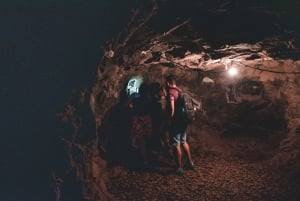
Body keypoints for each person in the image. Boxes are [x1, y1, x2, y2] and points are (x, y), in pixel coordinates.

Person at [165, 75, 195, 175]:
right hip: (184, 121)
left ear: (168, 83)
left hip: (176, 121)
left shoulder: (170, 92)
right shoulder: (180, 90)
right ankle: (190, 163)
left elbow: (172, 109)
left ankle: (179, 168)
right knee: (183, 141)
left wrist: (169, 121)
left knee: (175, 144)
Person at [130, 83, 152, 168]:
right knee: (145, 140)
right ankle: (147, 158)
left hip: (139, 120)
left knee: (140, 141)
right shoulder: (149, 98)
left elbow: (125, 105)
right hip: (147, 120)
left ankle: (144, 161)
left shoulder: (135, 96)